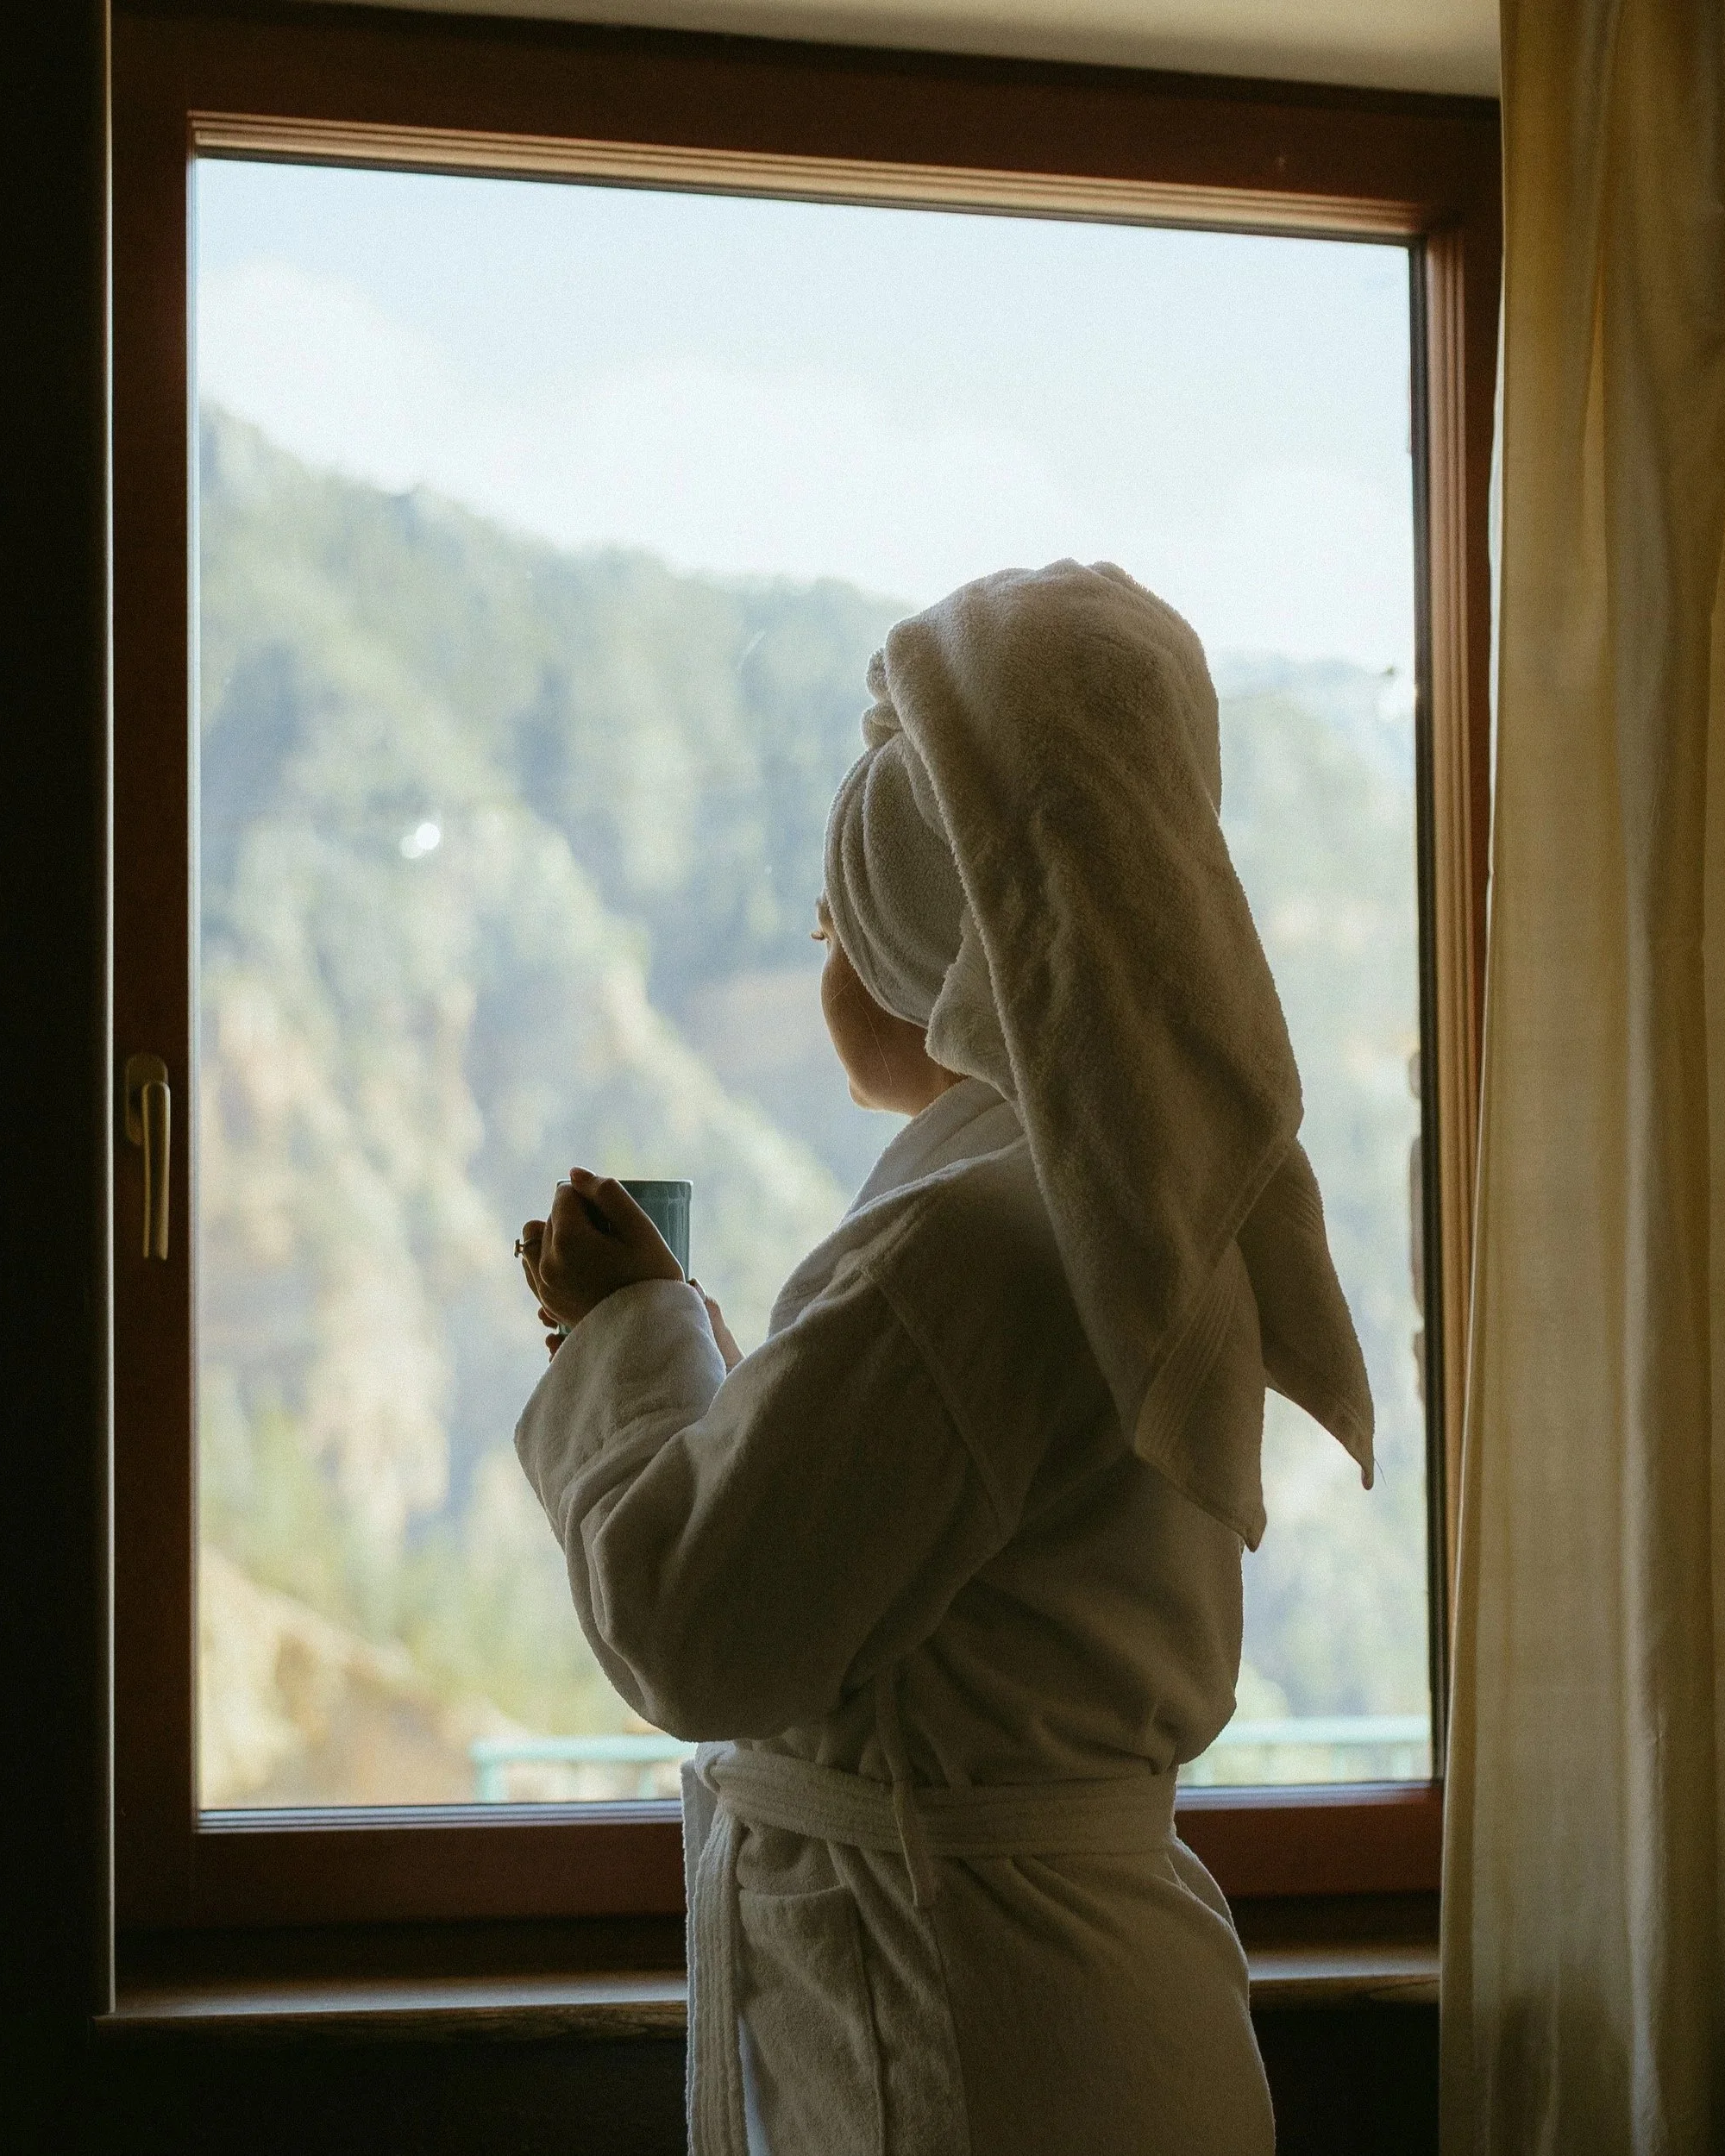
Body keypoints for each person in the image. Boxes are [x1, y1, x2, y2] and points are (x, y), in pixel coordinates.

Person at [513, 561, 1374, 2156]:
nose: (817, 942)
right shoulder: (1105, 1205)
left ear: (936, 935)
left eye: (841, 913)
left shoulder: (968, 1245)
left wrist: (624, 1333)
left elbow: (702, 1621)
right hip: (1084, 2011)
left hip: (971, 2040)